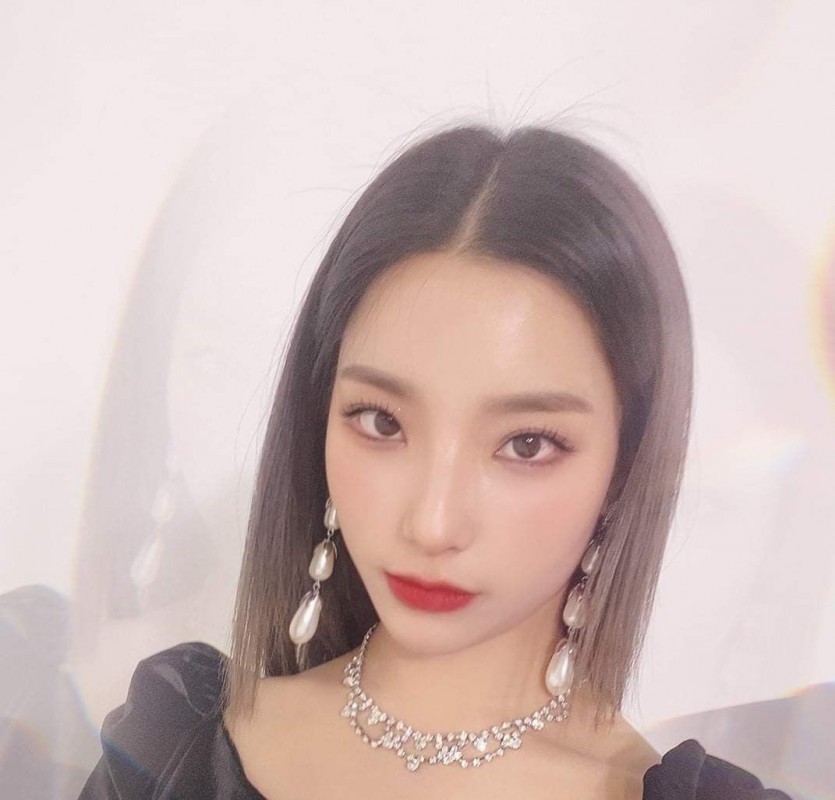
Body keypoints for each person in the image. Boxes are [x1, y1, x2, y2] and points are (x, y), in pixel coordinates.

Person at [78, 123, 793, 799]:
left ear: (625, 466)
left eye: (526, 444)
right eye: (382, 422)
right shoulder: (175, 753)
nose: (433, 523)